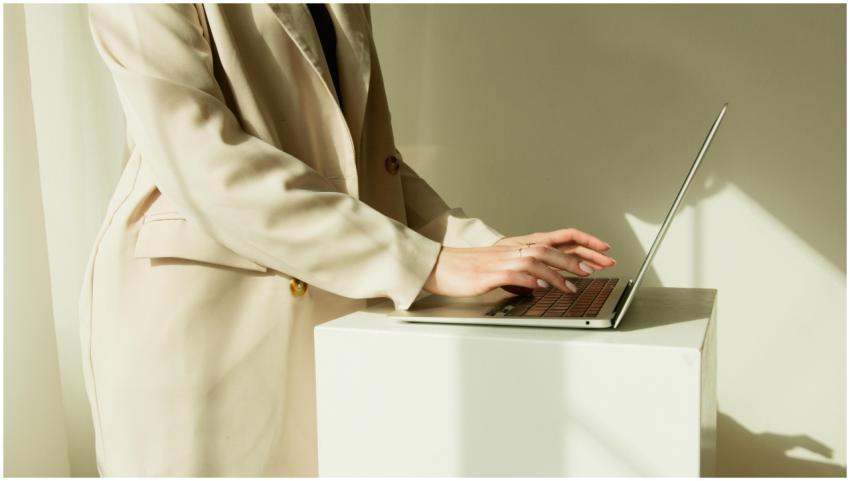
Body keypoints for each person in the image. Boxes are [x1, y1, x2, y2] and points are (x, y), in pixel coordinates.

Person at [80, 3, 615, 476]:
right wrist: (427, 263)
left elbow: (365, 163)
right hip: (205, 326)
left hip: (332, 316)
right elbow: (204, 159)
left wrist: (489, 251)